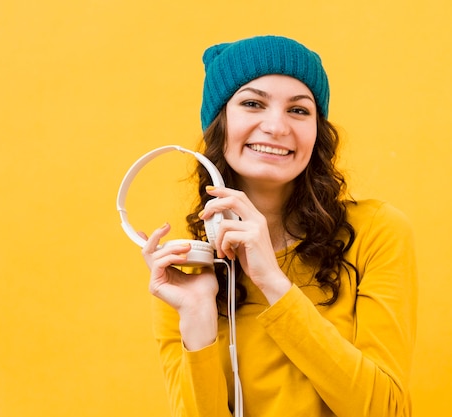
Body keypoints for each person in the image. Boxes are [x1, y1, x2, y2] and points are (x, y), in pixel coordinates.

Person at [139, 35, 418, 417]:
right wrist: (198, 315)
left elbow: (386, 411)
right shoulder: (186, 270)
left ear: (317, 130)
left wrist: (273, 282)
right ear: (218, 125)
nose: (276, 126)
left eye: (299, 110)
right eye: (253, 104)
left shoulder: (377, 231)